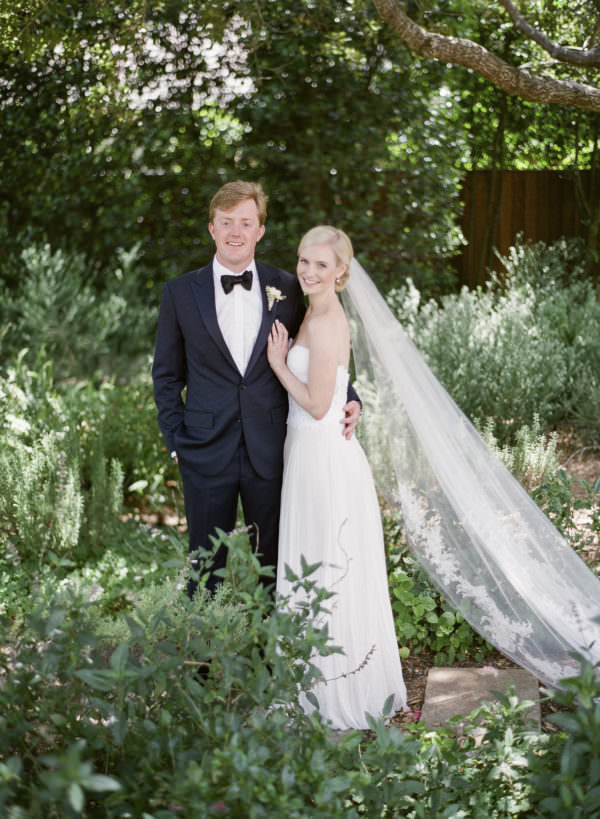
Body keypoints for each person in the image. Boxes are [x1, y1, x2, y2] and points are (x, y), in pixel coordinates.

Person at [152, 182, 361, 596]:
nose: (235, 231)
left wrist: (350, 396)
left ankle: (268, 656)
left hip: (272, 450)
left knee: (276, 564)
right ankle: (204, 658)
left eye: (245, 223)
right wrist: (177, 441)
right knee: (205, 565)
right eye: (226, 222)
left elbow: (318, 349)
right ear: (212, 228)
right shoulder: (179, 293)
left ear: (259, 231)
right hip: (205, 448)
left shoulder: (287, 287)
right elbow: (166, 376)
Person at [267, 226, 407, 730]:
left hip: (323, 458)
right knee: (315, 562)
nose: (307, 271)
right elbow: (338, 387)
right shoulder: (312, 310)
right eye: (304, 261)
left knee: (325, 565)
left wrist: (280, 364)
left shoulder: (327, 321)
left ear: (341, 272)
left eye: (321, 265)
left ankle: (335, 692)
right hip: (308, 451)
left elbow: (317, 401)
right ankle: (313, 683)